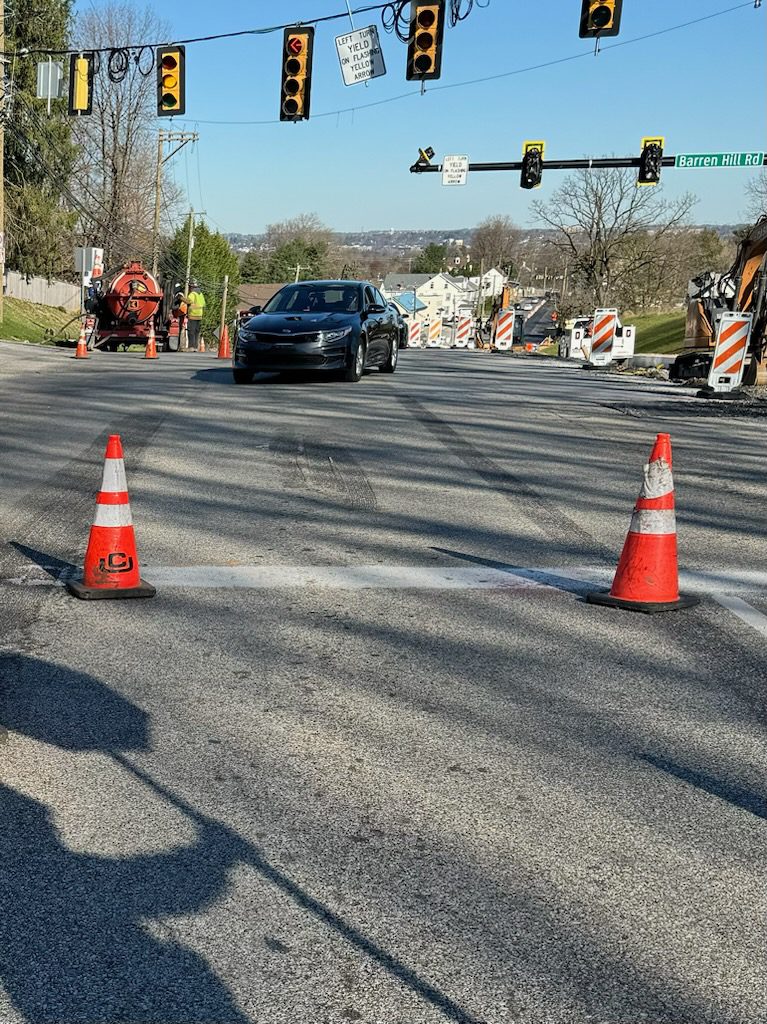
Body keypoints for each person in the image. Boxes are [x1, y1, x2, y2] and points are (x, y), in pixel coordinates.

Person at [185, 280, 205, 351]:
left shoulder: (192, 294)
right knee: (197, 331)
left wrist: (182, 299)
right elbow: (203, 304)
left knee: (191, 331)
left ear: (192, 287)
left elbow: (188, 301)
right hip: (199, 315)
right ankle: (196, 347)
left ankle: (191, 346)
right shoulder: (200, 294)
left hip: (192, 315)